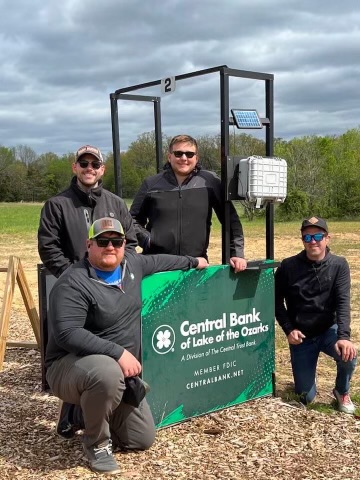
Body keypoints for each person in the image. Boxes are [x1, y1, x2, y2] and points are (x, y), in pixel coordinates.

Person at [45, 217, 208, 474]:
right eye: (103, 241)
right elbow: (68, 333)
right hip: (68, 366)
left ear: (124, 245)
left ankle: (77, 413)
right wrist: (118, 353)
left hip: (116, 372)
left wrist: (194, 261)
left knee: (141, 439)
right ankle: (97, 445)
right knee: (106, 373)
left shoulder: (132, 264)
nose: (110, 247)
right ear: (89, 244)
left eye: (116, 241)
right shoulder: (72, 282)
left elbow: (161, 261)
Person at [275, 216, 357, 413]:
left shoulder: (339, 265)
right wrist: (288, 329)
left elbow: (343, 302)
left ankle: (341, 391)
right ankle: (307, 379)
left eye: (318, 236)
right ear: (302, 240)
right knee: (306, 397)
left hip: (329, 330)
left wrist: (344, 337)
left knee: (349, 356)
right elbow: (275, 301)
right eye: (307, 237)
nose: (313, 242)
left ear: (327, 238)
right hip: (302, 337)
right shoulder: (288, 266)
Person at [130, 134, 247, 272]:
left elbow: (230, 220)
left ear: (196, 158)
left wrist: (236, 254)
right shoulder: (151, 184)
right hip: (157, 265)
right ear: (170, 157)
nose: (184, 158)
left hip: (197, 265)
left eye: (189, 154)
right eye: (178, 153)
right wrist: (147, 240)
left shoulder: (210, 182)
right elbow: (132, 220)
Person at [38, 144, 138, 278]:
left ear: (102, 169)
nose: (89, 168)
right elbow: (48, 248)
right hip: (74, 285)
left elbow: (130, 244)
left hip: (111, 282)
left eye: (95, 164)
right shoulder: (56, 205)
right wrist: (74, 276)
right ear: (75, 167)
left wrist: (115, 272)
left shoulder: (117, 203)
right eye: (84, 164)